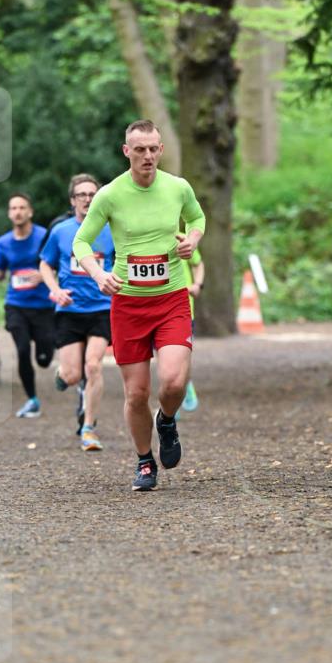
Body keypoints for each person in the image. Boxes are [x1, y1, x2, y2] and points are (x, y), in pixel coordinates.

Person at [73, 119, 205, 491]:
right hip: (128, 304)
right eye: (140, 149)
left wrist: (192, 240)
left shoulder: (178, 187)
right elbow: (81, 243)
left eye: (153, 149)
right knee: (136, 394)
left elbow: (197, 217)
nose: (147, 156)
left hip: (172, 298)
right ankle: (145, 461)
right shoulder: (110, 195)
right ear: (126, 151)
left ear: (161, 150)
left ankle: (167, 419)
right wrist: (99, 275)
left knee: (175, 382)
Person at [39, 174, 114, 451]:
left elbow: (123, 261)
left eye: (92, 194)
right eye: (81, 194)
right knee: (72, 375)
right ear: (72, 201)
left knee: (93, 365)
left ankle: (89, 428)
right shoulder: (61, 231)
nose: (87, 199)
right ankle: (67, 376)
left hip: (101, 308)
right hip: (69, 309)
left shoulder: (110, 230)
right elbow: (45, 265)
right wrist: (54, 289)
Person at [0, 193, 55, 417]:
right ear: (9, 213)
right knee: (21, 350)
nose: (18, 212)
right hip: (16, 305)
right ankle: (32, 399)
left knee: (44, 358)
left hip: (43, 305)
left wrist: (43, 276)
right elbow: (0, 274)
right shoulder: (3, 242)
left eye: (22, 207)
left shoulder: (43, 236)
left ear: (30, 212)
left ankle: (47, 352)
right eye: (14, 208)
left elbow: (57, 263)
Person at [180, 248, 204, 412]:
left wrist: (197, 284)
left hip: (184, 308)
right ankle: (170, 402)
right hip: (155, 308)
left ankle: (185, 383)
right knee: (163, 357)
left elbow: (198, 263)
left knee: (182, 356)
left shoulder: (180, 240)